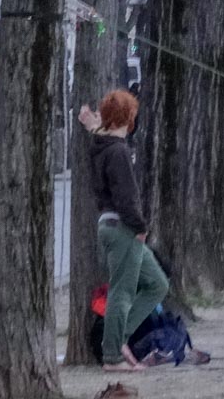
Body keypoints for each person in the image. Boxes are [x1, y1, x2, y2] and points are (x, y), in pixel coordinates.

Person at [80, 89, 169, 372]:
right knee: (122, 291)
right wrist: (140, 227)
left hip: (111, 225)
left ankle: (119, 338)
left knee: (157, 283)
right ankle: (112, 357)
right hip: (122, 227)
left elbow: (103, 136)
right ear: (128, 118)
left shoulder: (104, 146)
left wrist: (93, 126)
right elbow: (126, 197)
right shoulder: (117, 152)